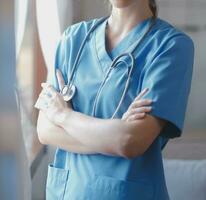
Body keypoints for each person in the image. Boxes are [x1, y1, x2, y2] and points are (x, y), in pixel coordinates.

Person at [35, 0, 194, 199]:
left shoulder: (171, 46)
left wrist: (63, 116)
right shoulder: (72, 39)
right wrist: (113, 135)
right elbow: (45, 130)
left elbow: (130, 141)